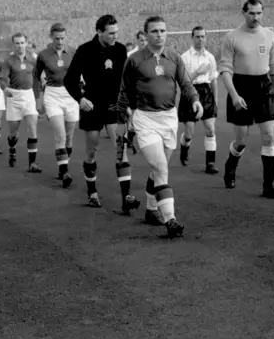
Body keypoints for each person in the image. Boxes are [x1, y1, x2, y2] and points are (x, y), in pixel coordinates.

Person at [118, 16, 202, 238]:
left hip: (169, 119)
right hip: (145, 120)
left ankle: (151, 209)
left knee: (158, 169)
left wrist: (194, 99)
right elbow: (124, 90)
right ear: (145, 35)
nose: (159, 34)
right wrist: (124, 117)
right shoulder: (134, 60)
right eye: (154, 31)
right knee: (161, 168)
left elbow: (185, 82)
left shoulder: (174, 57)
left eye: (163, 31)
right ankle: (170, 219)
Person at [64, 14, 140, 213]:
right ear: (99, 32)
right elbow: (69, 80)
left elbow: (126, 80)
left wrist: (129, 104)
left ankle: (126, 198)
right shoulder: (84, 50)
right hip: (92, 105)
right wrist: (80, 99)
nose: (115, 36)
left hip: (114, 105)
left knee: (120, 149)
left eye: (117, 32)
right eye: (111, 33)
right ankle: (92, 192)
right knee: (91, 151)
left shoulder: (121, 50)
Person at [219, 0, 274, 198]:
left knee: (269, 136)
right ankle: (230, 165)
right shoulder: (232, 38)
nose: (255, 17)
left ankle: (268, 186)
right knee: (241, 141)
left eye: (259, 13)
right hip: (241, 87)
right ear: (244, 13)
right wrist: (234, 95)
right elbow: (225, 70)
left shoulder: (269, 36)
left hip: (264, 88)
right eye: (251, 13)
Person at [34, 23, 80, 188]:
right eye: (56, 38)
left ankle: (62, 166)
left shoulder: (74, 52)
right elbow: (35, 77)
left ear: (66, 37)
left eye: (62, 38)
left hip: (71, 95)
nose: (60, 41)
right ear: (51, 37)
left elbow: (83, 73)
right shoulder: (43, 55)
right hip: (52, 94)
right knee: (60, 135)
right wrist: (38, 99)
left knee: (69, 137)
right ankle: (65, 171)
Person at [178, 26, 219, 174]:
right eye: (197, 36)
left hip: (206, 92)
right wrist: (197, 72)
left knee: (210, 128)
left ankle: (210, 163)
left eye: (203, 36)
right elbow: (183, 82)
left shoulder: (210, 57)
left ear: (206, 38)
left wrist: (215, 99)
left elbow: (213, 79)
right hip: (190, 93)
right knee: (189, 134)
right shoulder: (184, 57)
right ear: (192, 38)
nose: (200, 39)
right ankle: (184, 148)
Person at [0, 33, 42, 172]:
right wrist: (5, 88)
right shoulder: (8, 61)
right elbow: (3, 78)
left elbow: (38, 78)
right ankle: (12, 150)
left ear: (26, 43)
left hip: (28, 95)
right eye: (17, 43)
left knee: (32, 128)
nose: (20, 45)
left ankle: (32, 163)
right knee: (13, 132)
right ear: (14, 44)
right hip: (13, 96)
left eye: (22, 42)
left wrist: (39, 98)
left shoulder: (33, 59)